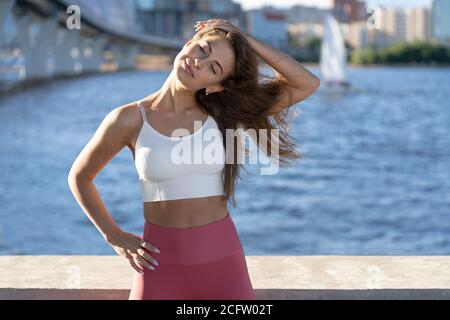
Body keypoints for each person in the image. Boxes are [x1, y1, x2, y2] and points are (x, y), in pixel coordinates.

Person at [67, 19, 320, 300]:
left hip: (224, 265)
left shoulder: (225, 116)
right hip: (158, 264)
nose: (198, 63)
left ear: (216, 86)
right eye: (202, 49)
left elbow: (306, 83)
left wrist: (243, 37)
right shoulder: (128, 119)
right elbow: (80, 177)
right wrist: (113, 235)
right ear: (188, 43)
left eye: (213, 68)